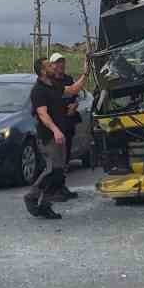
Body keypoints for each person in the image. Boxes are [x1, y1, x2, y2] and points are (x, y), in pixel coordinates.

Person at [24, 56, 87, 219]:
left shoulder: (54, 85)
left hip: (59, 134)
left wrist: (85, 73)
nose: (54, 67)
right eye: (50, 65)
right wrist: (55, 131)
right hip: (48, 137)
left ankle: (45, 205)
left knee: (58, 172)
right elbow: (42, 114)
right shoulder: (38, 90)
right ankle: (32, 196)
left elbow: (73, 89)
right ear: (43, 71)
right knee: (53, 170)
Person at [47, 52, 81, 200]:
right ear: (51, 65)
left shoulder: (68, 79)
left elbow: (75, 95)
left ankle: (62, 187)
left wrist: (74, 105)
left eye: (62, 62)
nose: (60, 65)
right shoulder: (49, 81)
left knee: (65, 157)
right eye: (57, 62)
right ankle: (53, 190)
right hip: (55, 123)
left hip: (68, 122)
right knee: (56, 159)